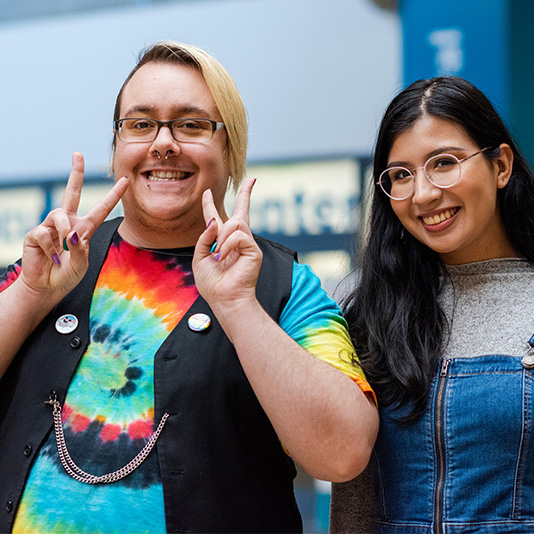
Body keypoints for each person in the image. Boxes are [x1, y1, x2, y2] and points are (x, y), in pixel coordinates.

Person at [0, 40, 378, 534]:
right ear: (116, 149)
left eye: (191, 124)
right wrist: (29, 294)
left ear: (231, 149)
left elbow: (343, 453)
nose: (163, 143)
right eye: (140, 124)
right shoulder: (44, 269)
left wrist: (239, 306)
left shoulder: (286, 288)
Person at [330, 75, 534, 533]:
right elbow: (354, 504)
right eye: (401, 174)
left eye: (443, 163)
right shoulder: (367, 315)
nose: (422, 193)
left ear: (500, 165)